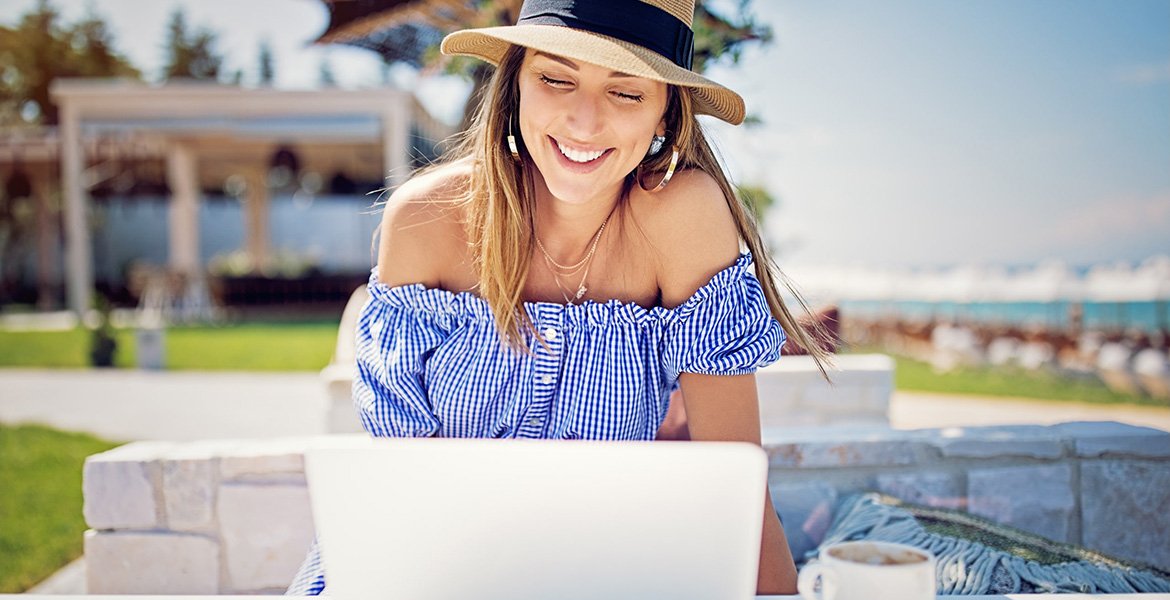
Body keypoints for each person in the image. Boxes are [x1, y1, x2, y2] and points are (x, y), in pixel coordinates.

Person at [287, 0, 833, 595]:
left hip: (594, 573)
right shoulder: (427, 218)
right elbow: (405, 483)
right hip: (431, 571)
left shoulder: (683, 217)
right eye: (555, 78)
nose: (584, 122)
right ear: (515, 85)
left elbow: (739, 483)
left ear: (664, 115)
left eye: (626, 92)